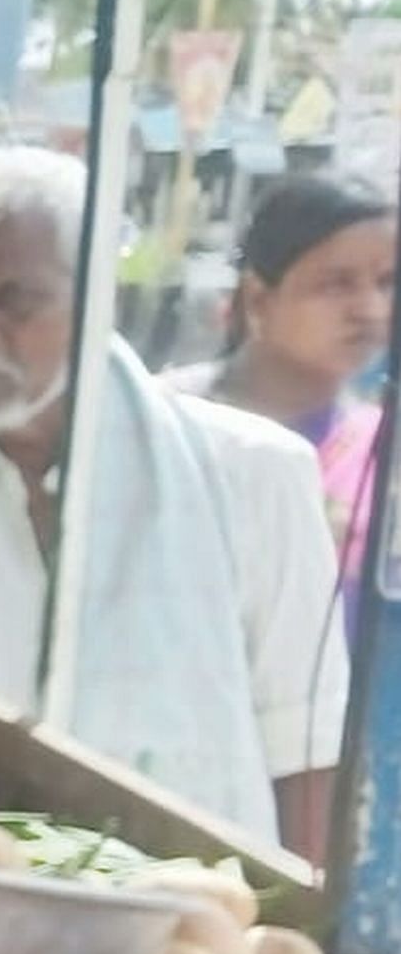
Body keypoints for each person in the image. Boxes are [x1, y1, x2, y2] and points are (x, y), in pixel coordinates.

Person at [0, 146, 344, 856]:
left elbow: (305, 748)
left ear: (96, 301)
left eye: (15, 300)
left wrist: (293, 947)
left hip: (185, 921)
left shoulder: (258, 475)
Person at [171, 172, 396, 632]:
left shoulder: (383, 449)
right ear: (258, 298)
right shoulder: (169, 419)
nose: (371, 309)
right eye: (337, 284)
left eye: (386, 282)